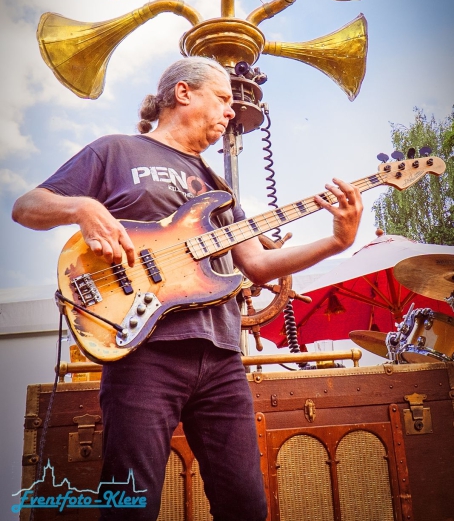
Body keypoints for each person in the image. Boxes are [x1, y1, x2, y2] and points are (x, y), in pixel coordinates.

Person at [12, 56, 363, 521]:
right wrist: (82, 208)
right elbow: (26, 206)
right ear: (183, 93)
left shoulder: (218, 188)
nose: (231, 111)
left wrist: (337, 242)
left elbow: (258, 266)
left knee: (246, 506)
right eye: (222, 98)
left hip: (221, 360)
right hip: (143, 353)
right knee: (132, 507)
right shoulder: (117, 151)